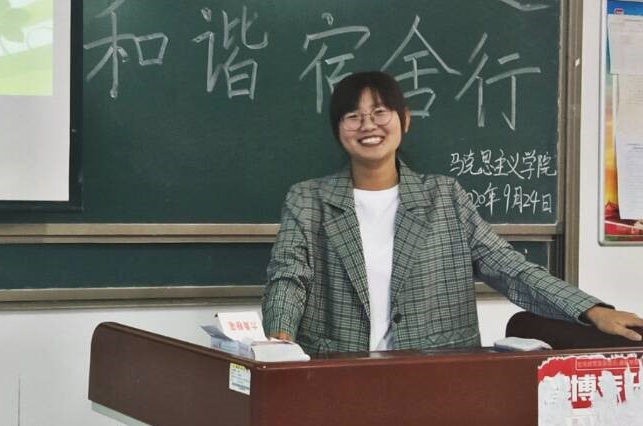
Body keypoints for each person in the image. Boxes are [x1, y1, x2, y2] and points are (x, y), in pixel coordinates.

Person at [262, 71, 643, 356]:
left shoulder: (445, 197)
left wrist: (590, 310)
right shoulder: (307, 199)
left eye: (379, 112)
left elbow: (510, 269)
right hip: (337, 370)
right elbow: (289, 276)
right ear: (338, 129)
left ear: (404, 120)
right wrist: (280, 335)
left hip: (438, 370)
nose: (368, 125)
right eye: (353, 116)